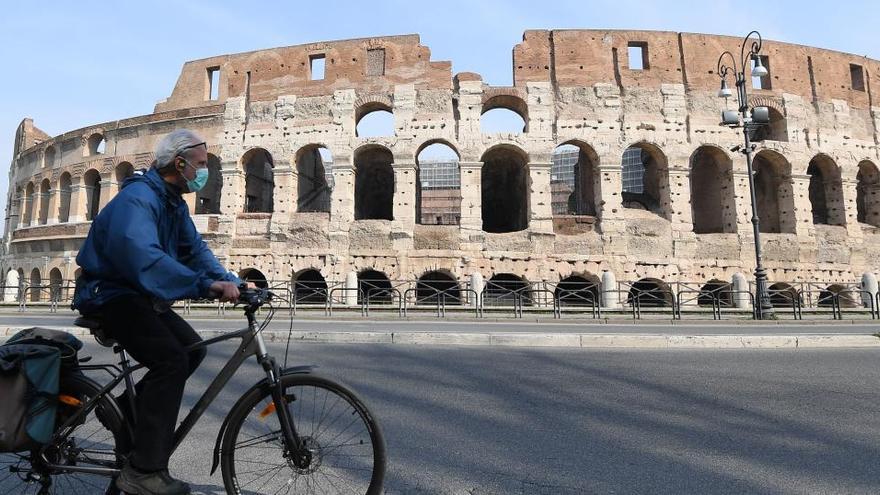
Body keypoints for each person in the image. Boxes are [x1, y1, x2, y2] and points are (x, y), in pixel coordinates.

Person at [73, 129, 245, 495]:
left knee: (192, 350)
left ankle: (124, 414)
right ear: (179, 163)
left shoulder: (172, 202)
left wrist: (235, 283)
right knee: (171, 361)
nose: (205, 172)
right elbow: (144, 259)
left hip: (138, 294)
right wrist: (205, 286)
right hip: (111, 293)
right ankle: (143, 471)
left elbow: (195, 250)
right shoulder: (138, 199)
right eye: (200, 165)